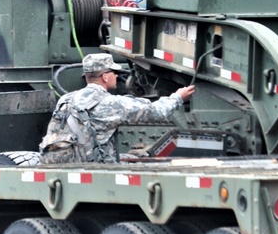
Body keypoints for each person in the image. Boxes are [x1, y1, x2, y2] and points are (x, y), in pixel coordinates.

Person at [39, 53, 195, 163]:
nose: (117, 76)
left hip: (62, 165)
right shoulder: (110, 104)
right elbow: (156, 112)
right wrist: (178, 97)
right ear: (105, 76)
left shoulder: (66, 99)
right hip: (95, 171)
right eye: (115, 72)